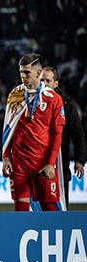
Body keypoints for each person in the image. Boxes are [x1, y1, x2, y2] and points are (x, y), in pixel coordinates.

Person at [2, 54, 65, 212]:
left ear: (38, 73)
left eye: (27, 72)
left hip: (43, 162)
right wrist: (5, 158)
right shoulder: (15, 95)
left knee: (49, 210)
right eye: (21, 72)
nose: (23, 76)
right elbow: (8, 128)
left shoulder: (54, 99)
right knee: (21, 210)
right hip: (19, 162)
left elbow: (57, 135)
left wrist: (51, 163)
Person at [42, 66, 86, 208]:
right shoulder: (32, 102)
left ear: (56, 84)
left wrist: (80, 160)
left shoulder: (67, 104)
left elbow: (78, 134)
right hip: (37, 165)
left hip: (60, 164)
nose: (44, 84)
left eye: (48, 81)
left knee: (60, 208)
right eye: (41, 80)